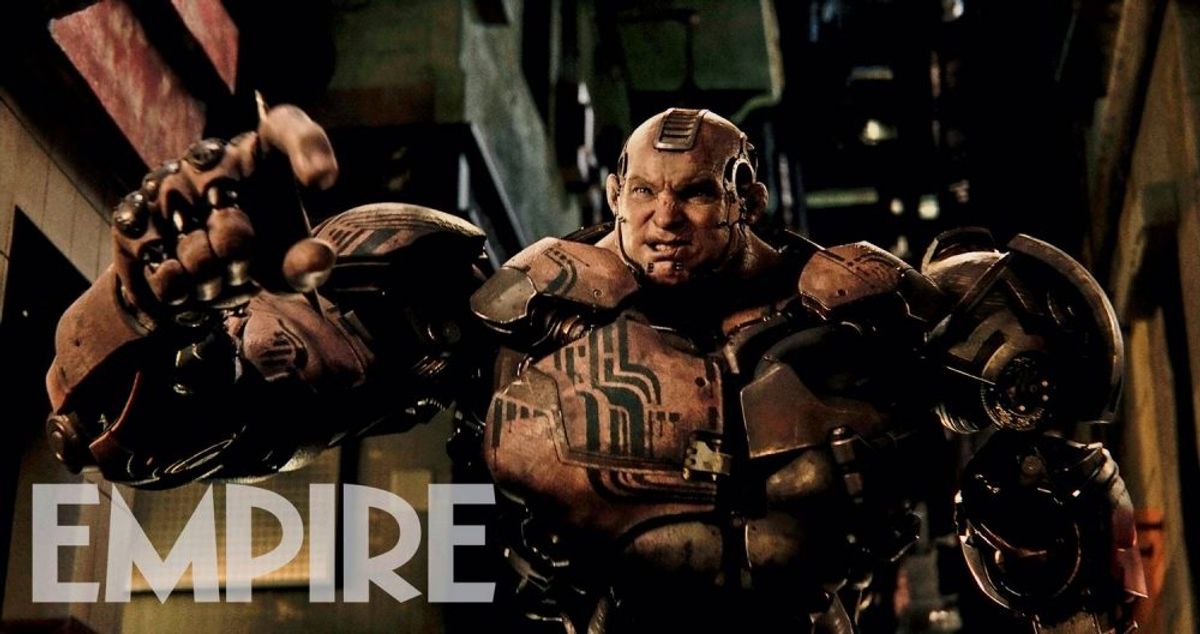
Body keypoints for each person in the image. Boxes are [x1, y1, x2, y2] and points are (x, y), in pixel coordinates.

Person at [45, 105, 1145, 632]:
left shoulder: (875, 314)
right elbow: (136, 426)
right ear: (612, 193)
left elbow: (1067, 485)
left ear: (748, 197)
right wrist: (135, 305)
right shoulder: (503, 317)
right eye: (644, 194)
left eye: (697, 193)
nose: (666, 217)